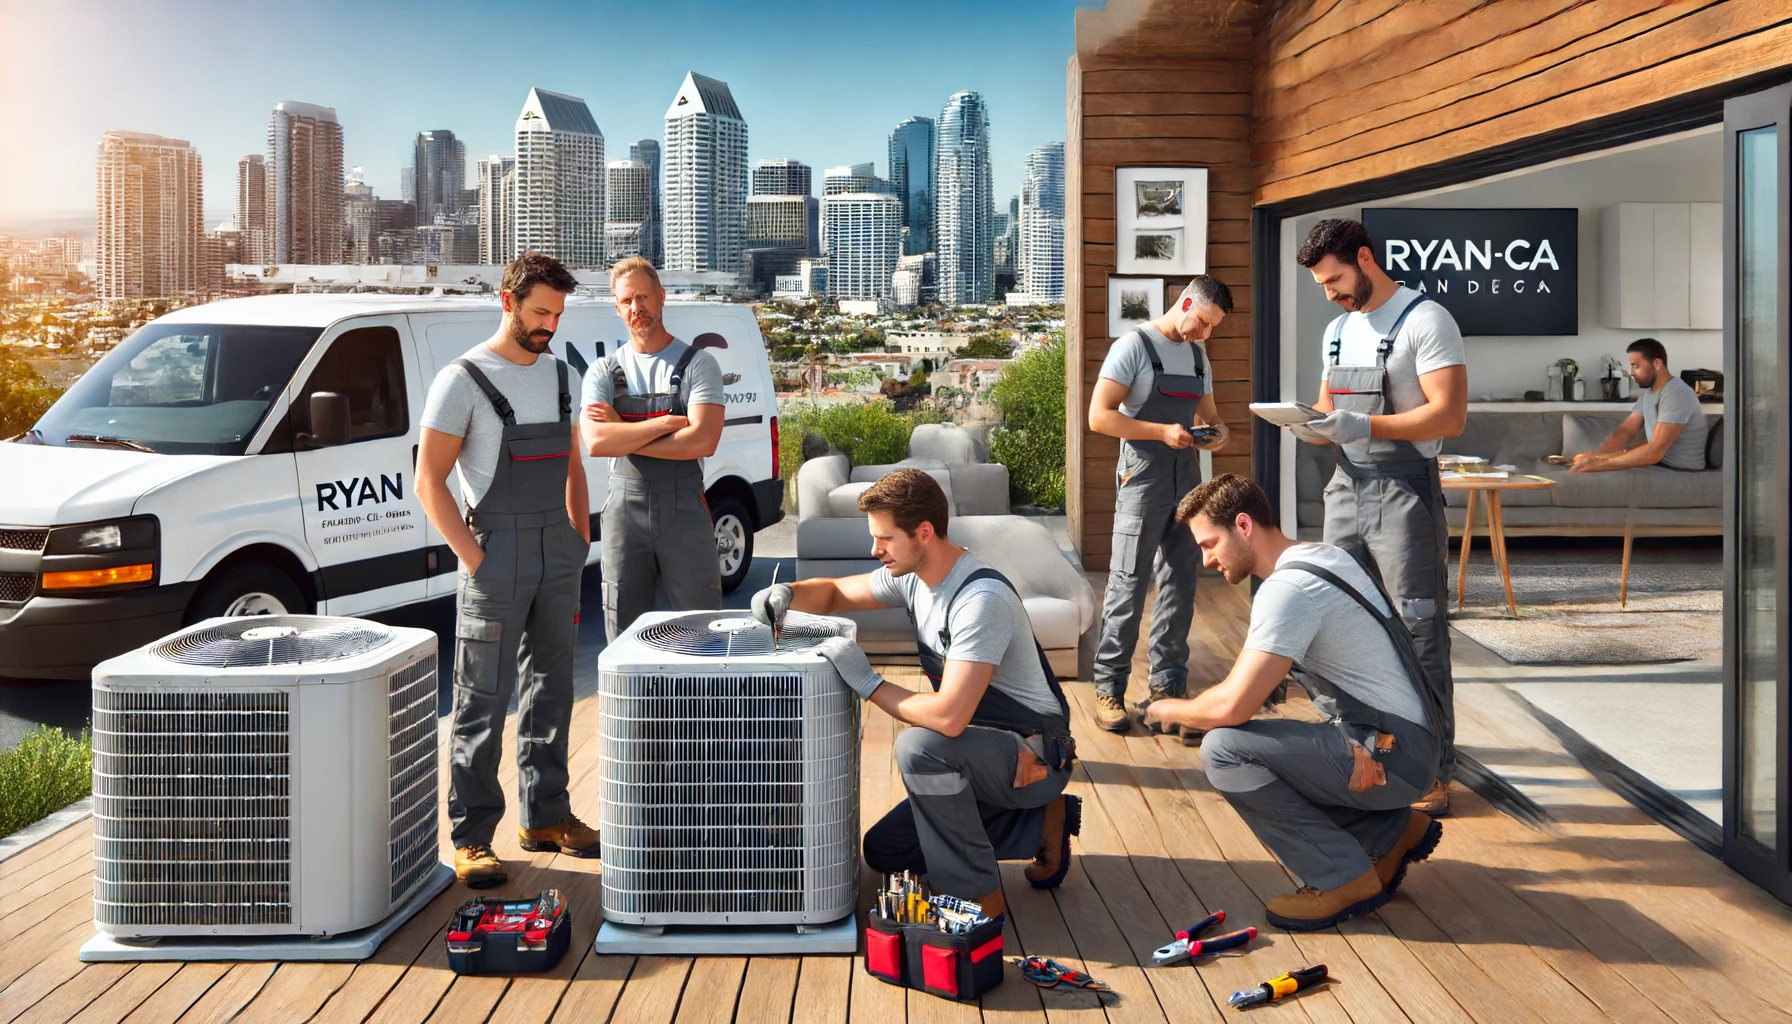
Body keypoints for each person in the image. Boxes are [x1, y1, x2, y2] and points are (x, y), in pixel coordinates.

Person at [749, 470, 1079, 919]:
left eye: (884, 538)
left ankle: (980, 897)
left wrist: (869, 682)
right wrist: (785, 593)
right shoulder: (913, 578)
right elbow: (833, 593)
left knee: (920, 749)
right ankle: (1042, 821)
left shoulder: (979, 599)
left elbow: (948, 720)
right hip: (978, 750)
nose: (874, 550)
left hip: (1031, 753)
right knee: (885, 852)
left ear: (924, 532)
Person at [1142, 475, 1444, 931]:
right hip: (1408, 743)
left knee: (1225, 749)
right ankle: (1392, 833)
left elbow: (1232, 708)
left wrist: (1165, 708)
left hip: (1393, 754)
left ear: (1243, 525)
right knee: (1264, 746)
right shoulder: (1324, 556)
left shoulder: (1289, 589)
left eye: (1209, 544)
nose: (1207, 559)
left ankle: (1341, 877)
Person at [417, 252, 600, 888]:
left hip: (558, 551)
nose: (550, 325)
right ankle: (471, 837)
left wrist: (580, 538)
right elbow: (429, 481)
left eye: (557, 313)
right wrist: (476, 559)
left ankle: (546, 815)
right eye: (539, 312)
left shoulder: (559, 374)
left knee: (552, 688)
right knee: (482, 699)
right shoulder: (462, 379)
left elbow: (575, 467)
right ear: (508, 302)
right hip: (494, 553)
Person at [1296, 218, 1466, 815]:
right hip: (1345, 485)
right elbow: (1326, 412)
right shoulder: (1339, 330)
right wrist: (1302, 422)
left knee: (1418, 629)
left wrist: (1363, 425)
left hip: (1404, 494)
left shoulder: (1427, 320)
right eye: (1322, 285)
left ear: (1365, 259)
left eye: (1336, 279)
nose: (1331, 294)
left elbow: (1448, 416)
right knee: (1331, 617)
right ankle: (1361, 748)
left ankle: (1434, 768)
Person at [1086, 275, 1233, 738]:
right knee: (1128, 582)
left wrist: (1218, 432)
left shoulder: (1196, 356)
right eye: (1203, 322)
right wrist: (1159, 431)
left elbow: (1209, 415)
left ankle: (1168, 689)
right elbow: (1099, 417)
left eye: (1213, 329)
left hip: (1188, 478)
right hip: (1142, 477)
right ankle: (1109, 688)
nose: (1205, 334)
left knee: (1180, 581)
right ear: (1186, 302)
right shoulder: (1133, 347)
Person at [580, 256, 725, 641]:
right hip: (623, 513)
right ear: (616, 307)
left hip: (684, 508)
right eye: (626, 301)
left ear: (661, 298)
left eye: (643, 297)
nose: (636, 308)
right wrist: (663, 424)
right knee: (622, 631)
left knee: (703, 627)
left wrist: (623, 431)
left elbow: (703, 440)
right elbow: (595, 442)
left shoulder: (699, 365)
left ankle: (707, 702)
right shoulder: (602, 371)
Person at [1570, 338, 1710, 473]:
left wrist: (1600, 464)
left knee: (1595, 469)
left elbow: (1654, 452)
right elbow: (1625, 432)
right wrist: (1596, 457)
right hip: (1659, 464)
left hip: (1678, 470)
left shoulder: (1676, 393)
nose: (1631, 373)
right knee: (1581, 459)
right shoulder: (1648, 394)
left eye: (1635, 366)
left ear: (1657, 364)